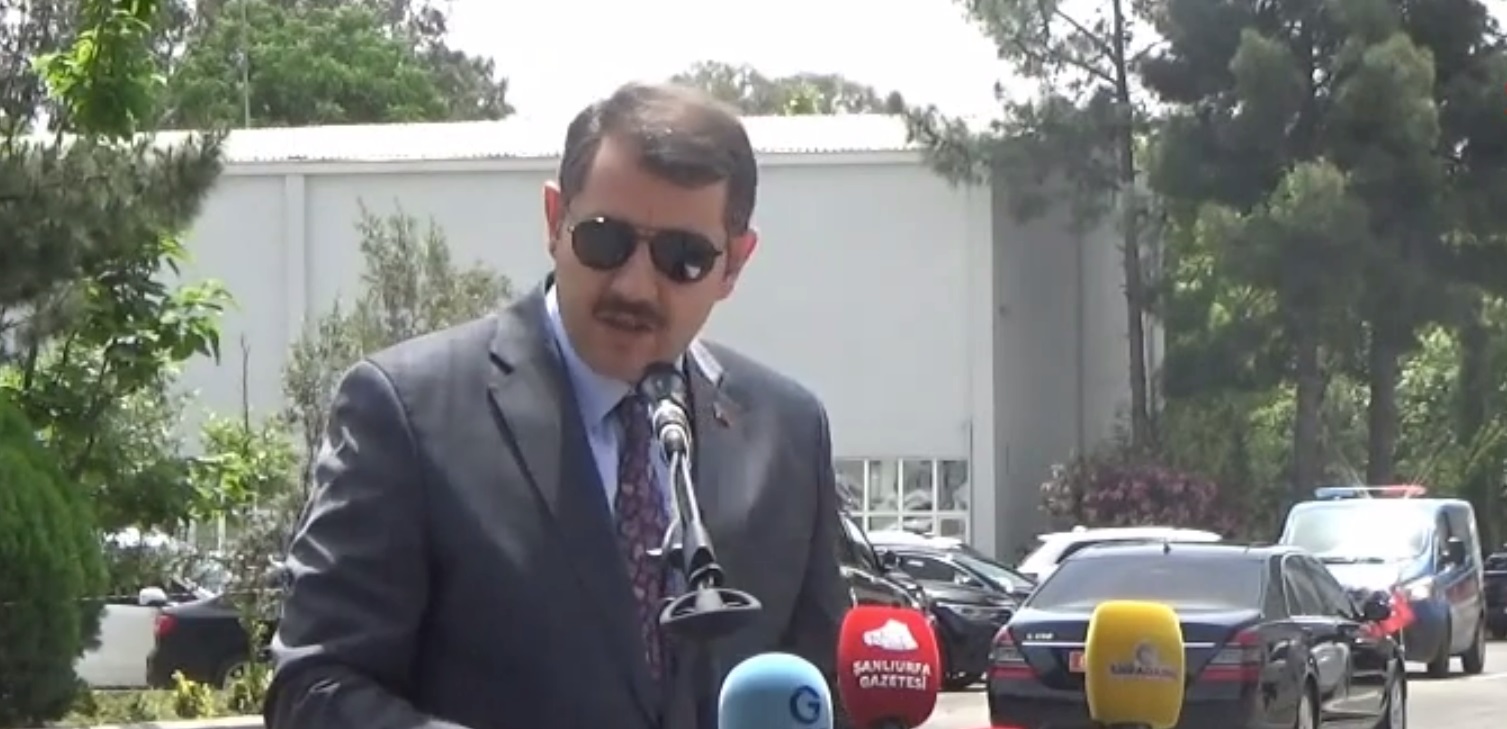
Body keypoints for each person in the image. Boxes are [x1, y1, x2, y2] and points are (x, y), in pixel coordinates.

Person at [262, 81, 849, 729]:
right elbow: (314, 688)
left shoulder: (788, 435)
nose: (634, 285)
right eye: (605, 240)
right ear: (554, 221)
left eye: (682, 258)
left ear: (734, 263)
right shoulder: (407, 411)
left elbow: (825, 691)